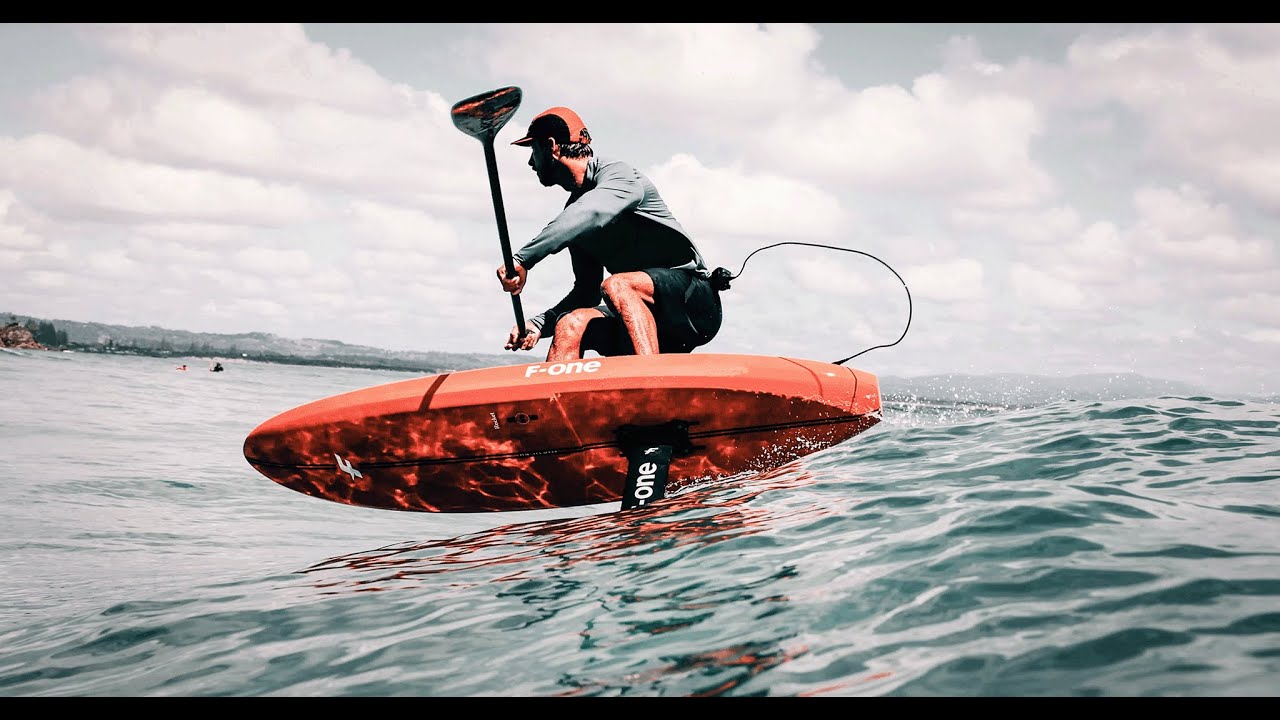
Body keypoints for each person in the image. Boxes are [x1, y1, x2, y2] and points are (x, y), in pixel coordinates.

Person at [497, 106, 724, 362]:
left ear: (552, 147)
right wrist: (539, 324)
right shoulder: (575, 217)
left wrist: (523, 259)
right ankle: (553, 401)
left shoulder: (618, 175)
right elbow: (586, 292)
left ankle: (650, 382)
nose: (530, 162)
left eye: (533, 151)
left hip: (694, 305)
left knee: (617, 284)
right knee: (570, 324)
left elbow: (592, 213)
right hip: (643, 319)